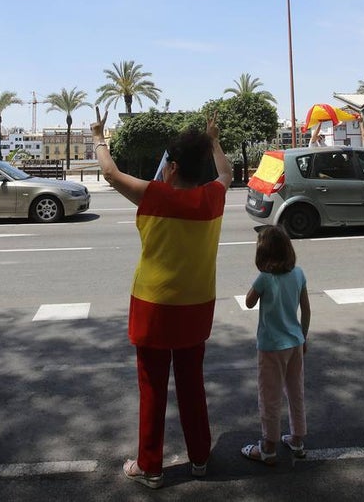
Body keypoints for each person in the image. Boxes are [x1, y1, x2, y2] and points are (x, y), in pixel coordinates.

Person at [91, 107, 233, 489]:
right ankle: (200, 458)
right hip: (197, 306)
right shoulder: (212, 198)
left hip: (153, 307)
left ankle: (150, 467)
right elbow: (227, 174)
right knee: (192, 383)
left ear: (170, 166)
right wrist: (215, 140)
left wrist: (99, 138)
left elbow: (109, 172)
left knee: (152, 387)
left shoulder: (153, 195)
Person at [241, 225, 310, 466]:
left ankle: (268, 447)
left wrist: (259, 284)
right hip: (295, 343)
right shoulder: (298, 273)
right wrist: (304, 336)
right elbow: (306, 309)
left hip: (271, 347)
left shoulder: (264, 279)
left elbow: (249, 302)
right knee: (295, 392)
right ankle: (297, 440)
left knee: (269, 396)